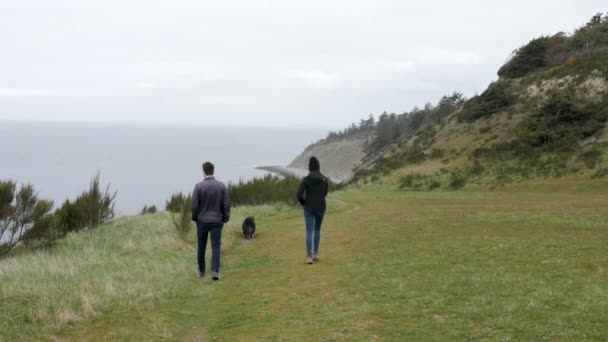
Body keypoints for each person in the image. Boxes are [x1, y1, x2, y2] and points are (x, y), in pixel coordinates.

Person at [191, 162, 230, 281]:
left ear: (203, 171)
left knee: (201, 246)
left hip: (202, 221)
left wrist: (195, 218)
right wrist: (225, 218)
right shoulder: (221, 186)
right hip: (217, 220)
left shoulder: (198, 186)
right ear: (213, 171)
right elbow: (226, 205)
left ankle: (202, 271)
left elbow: (195, 206)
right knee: (216, 246)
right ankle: (214, 271)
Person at [296, 156, 329, 264]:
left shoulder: (306, 180)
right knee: (317, 230)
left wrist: (303, 203)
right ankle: (315, 254)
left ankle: (309, 257)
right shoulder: (324, 179)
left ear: (309, 167)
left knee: (309, 231)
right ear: (318, 166)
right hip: (321, 207)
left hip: (309, 208)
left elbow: (299, 195)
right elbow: (325, 194)